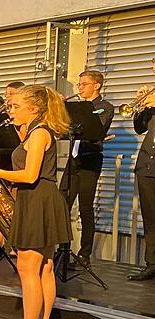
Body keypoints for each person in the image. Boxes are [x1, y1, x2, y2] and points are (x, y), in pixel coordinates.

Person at [0, 84, 72, 319]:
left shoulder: (38, 134)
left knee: (27, 267)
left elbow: (30, 175)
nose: (11, 111)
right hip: (43, 199)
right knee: (44, 268)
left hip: (37, 199)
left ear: (34, 108)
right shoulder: (37, 131)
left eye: (15, 106)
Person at [59, 70, 114, 267]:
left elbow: (96, 128)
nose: (79, 87)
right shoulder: (76, 107)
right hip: (73, 159)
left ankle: (84, 254)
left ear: (96, 86)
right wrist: (61, 107)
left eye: (84, 84)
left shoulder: (105, 107)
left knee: (85, 207)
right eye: (79, 84)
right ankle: (63, 250)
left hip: (90, 159)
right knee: (61, 204)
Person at [129, 58, 155, 281]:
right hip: (147, 164)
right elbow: (139, 129)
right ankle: (151, 264)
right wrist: (141, 106)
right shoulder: (151, 97)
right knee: (150, 217)